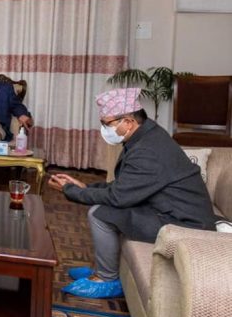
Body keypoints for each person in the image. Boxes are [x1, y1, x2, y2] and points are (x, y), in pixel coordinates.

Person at [48, 88, 217, 298]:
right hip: (167, 211)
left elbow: (117, 197)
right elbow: (126, 186)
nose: (104, 129)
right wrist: (85, 187)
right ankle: (101, 270)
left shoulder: (147, 150)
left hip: (186, 227)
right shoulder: (145, 136)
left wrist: (70, 191)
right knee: (103, 210)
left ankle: (107, 279)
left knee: (99, 214)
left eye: (107, 124)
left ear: (128, 122)